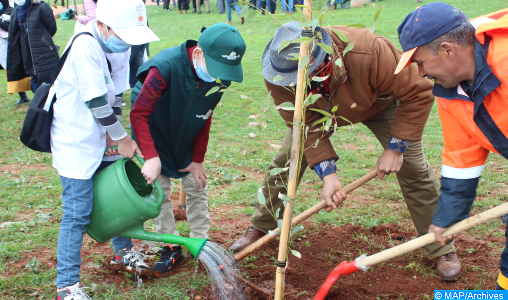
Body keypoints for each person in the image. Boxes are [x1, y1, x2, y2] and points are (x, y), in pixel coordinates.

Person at [229, 21, 461, 280]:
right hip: (316, 114)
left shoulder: (367, 50)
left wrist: (396, 147)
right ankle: (262, 225)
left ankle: (441, 245)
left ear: (323, 59)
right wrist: (328, 174)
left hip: (379, 102)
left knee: (413, 168)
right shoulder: (278, 73)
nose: (294, 83)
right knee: (287, 160)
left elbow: (418, 91)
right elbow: (305, 127)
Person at [394, 3, 508, 289]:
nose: (420, 73)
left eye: (420, 62)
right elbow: (462, 159)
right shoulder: (451, 94)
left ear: (447, 50)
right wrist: (446, 217)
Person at [50, 0, 159, 298]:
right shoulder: (84, 46)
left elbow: (116, 99)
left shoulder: (119, 48)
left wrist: (114, 136)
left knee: (119, 196)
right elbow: (96, 101)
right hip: (75, 139)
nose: (128, 44)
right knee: (77, 212)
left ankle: (123, 253)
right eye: (123, 36)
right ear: (101, 25)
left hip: (103, 134)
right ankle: (67, 286)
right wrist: (122, 138)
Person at [129, 23, 246, 276]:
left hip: (187, 129)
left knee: (197, 184)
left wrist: (197, 159)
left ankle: (200, 243)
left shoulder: (220, 77)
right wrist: (151, 156)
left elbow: (206, 114)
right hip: (154, 128)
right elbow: (139, 113)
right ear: (198, 54)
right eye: (215, 68)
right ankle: (170, 245)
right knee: (159, 190)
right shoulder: (165, 68)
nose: (218, 76)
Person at [7, 0, 59, 93]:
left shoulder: (41, 7)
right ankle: (38, 102)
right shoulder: (16, 10)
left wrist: (43, 38)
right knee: (33, 78)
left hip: (43, 48)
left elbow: (52, 28)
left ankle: (52, 101)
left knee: (49, 76)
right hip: (26, 49)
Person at [0, 0, 31, 104]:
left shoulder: (13, 7)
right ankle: (23, 95)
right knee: (10, 68)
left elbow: (10, 27)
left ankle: (37, 93)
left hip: (13, 40)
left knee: (20, 66)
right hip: (3, 42)